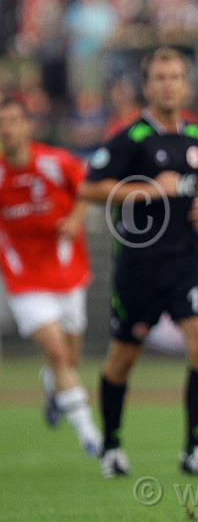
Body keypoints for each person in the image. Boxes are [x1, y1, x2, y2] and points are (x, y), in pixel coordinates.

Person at [79, 47, 198, 478]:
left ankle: (194, 450)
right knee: (123, 357)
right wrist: (143, 190)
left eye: (175, 76)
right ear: (147, 86)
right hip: (139, 265)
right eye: (160, 77)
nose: (168, 84)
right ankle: (113, 446)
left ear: (186, 83)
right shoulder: (130, 138)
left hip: (185, 261)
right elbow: (90, 188)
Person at [0, 97, 101, 457]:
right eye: (2, 122)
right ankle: (92, 437)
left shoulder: (54, 162)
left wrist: (74, 217)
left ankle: (51, 385)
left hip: (67, 272)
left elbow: (90, 185)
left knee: (68, 359)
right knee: (58, 353)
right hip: (24, 279)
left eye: (13, 120)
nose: (7, 128)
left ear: (28, 125)